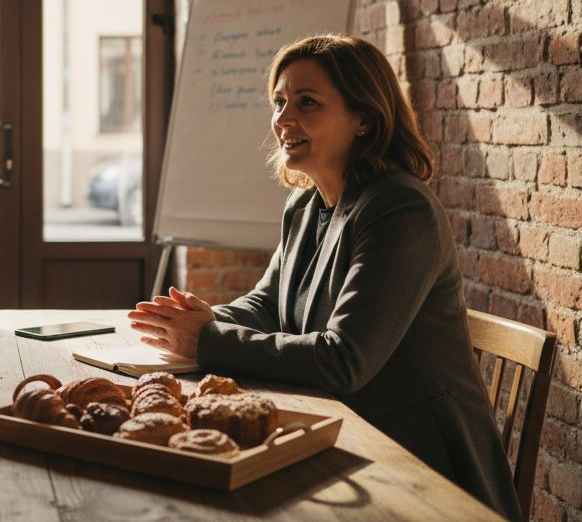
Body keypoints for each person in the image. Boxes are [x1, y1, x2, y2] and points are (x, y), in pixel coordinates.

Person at [128, 34, 523, 520]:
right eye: (279, 102)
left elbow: (343, 361)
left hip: (420, 465)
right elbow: (268, 306)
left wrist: (207, 340)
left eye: (307, 103)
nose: (283, 119)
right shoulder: (305, 205)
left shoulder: (401, 209)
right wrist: (194, 320)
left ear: (365, 119)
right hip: (340, 431)